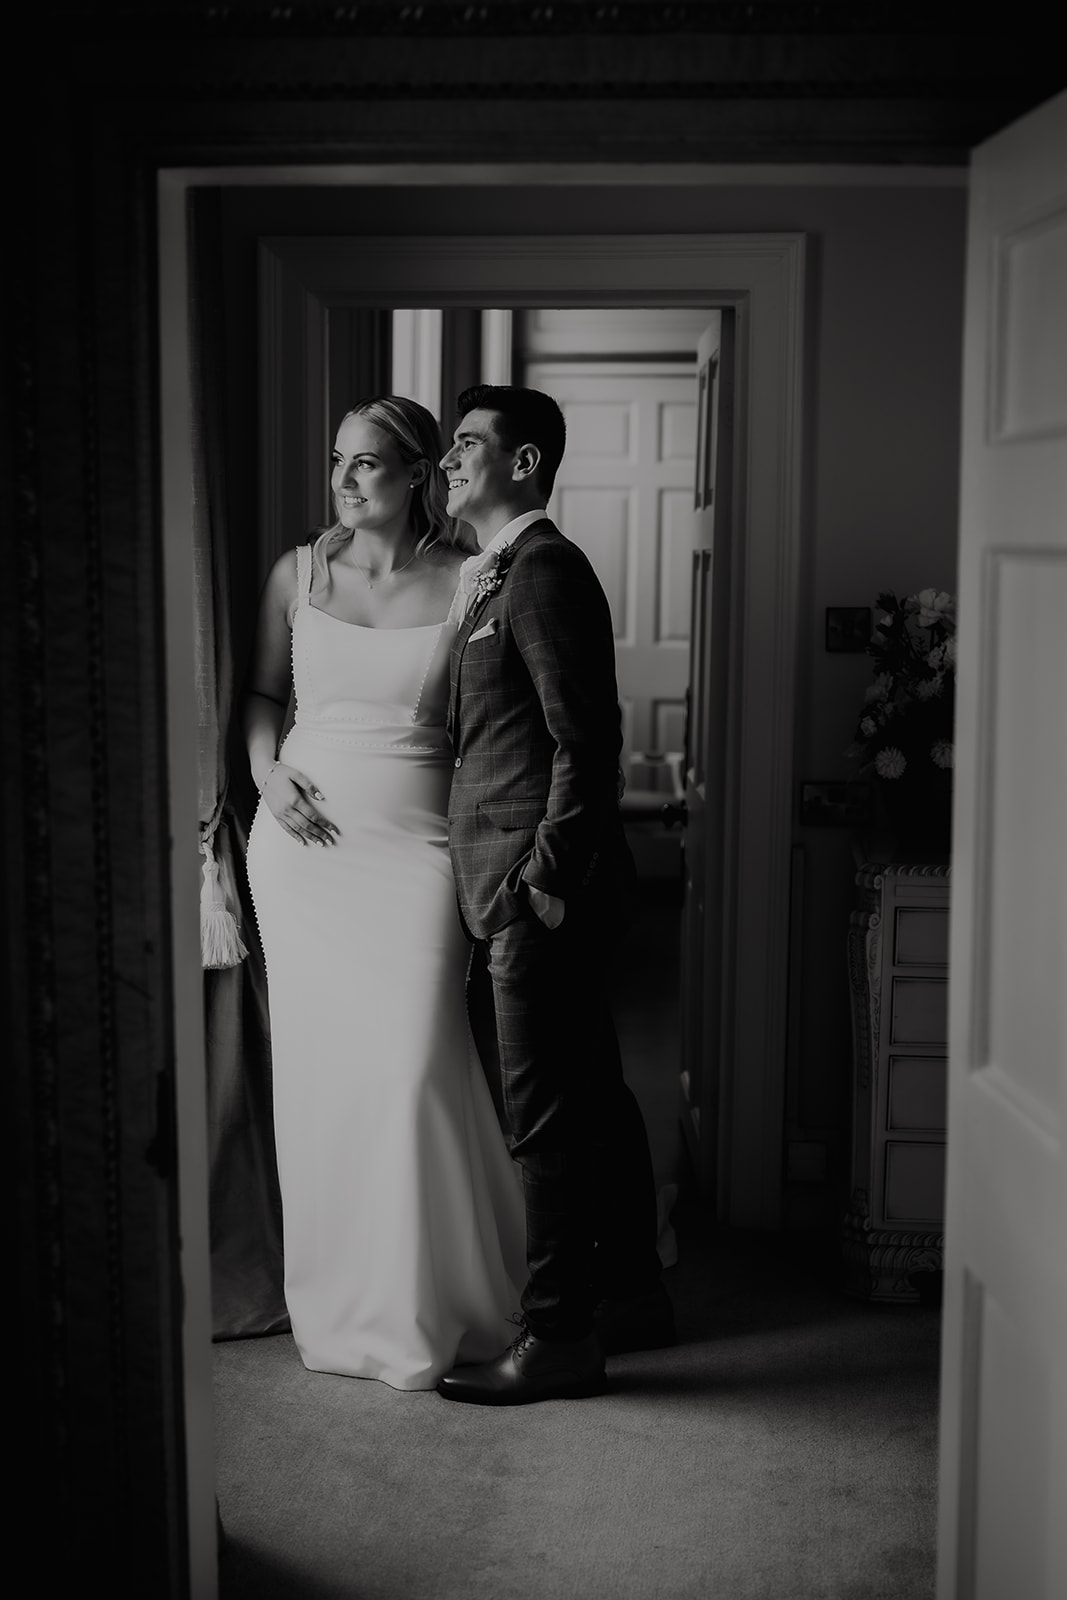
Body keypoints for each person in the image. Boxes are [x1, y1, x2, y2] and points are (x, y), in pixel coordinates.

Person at [243, 395, 526, 1391]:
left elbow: (492, 719)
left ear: (416, 475)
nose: (345, 480)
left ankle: (437, 1299)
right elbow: (263, 697)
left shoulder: (469, 579)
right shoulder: (297, 571)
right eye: (337, 462)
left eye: (368, 464)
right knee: (324, 1086)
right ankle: (344, 1307)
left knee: (412, 1067)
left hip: (415, 853)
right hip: (299, 859)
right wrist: (265, 777)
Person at [434, 385, 675, 1407]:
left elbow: (587, 744)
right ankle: (628, 1292)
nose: (448, 462)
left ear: (523, 464)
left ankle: (557, 1336)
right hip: (525, 888)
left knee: (538, 1121)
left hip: (535, 896)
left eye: (466, 446)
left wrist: (536, 887)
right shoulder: (490, 577)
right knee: (595, 1098)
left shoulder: (541, 571)